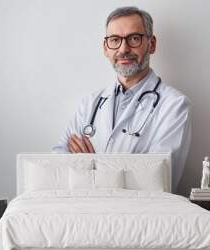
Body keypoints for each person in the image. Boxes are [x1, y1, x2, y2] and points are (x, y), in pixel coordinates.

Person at [52, 7, 191, 191]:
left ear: (152, 44)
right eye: (115, 40)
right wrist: (127, 169)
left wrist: (90, 165)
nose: (124, 49)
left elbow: (159, 181)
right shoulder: (90, 104)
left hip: (140, 217)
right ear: (105, 48)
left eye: (134, 39)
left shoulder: (174, 105)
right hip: (86, 213)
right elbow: (56, 166)